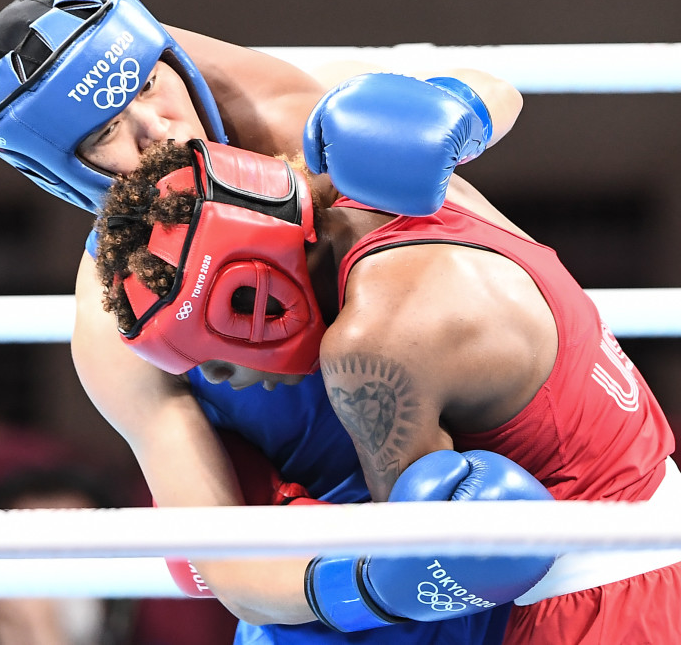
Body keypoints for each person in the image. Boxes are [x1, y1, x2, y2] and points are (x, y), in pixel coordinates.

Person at [0, 0, 527, 644]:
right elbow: (232, 566)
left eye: (149, 85)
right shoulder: (114, 325)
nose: (160, 132)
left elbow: (494, 87)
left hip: (516, 507)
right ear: (67, 175)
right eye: (110, 130)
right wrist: (386, 585)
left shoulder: (298, 120)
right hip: (336, 588)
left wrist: (455, 109)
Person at [94, 137, 681, 644]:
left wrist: (283, 513)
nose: (223, 381)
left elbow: (423, 571)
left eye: (213, 359)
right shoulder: (408, 189)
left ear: (251, 290)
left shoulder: (369, 349)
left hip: (593, 605)